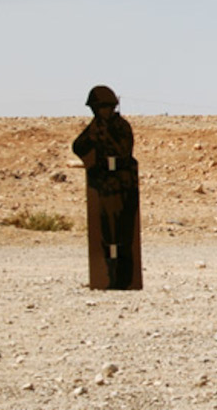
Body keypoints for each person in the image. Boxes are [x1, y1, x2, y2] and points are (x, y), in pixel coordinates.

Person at [72, 85, 142, 290]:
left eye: (101, 107)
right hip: (104, 187)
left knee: (122, 236)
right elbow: (78, 146)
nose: (99, 112)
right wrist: (92, 162)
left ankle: (123, 279)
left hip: (122, 186)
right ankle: (106, 276)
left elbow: (124, 151)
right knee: (105, 235)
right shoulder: (95, 126)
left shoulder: (121, 126)